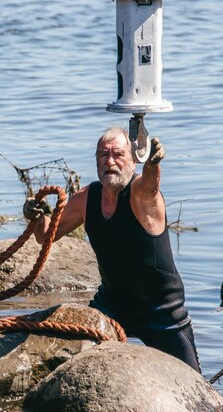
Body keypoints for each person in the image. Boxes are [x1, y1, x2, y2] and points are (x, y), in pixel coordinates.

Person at [23, 126, 200, 372]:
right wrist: (35, 213)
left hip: (161, 312)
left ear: (133, 162)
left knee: (199, 391)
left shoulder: (141, 193)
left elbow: (151, 186)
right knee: (76, 368)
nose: (110, 161)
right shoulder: (87, 198)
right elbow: (45, 236)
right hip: (111, 305)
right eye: (103, 155)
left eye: (118, 154)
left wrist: (152, 163)